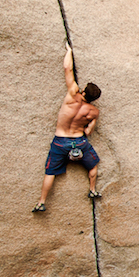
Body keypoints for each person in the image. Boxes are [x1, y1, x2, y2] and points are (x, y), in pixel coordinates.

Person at [32, 42, 101, 212]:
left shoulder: (72, 94)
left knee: (50, 173)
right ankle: (92, 190)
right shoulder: (93, 112)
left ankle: (41, 202)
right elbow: (88, 131)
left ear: (83, 90)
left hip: (60, 140)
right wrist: (88, 124)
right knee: (93, 166)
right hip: (79, 142)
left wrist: (69, 51)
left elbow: (67, 69)